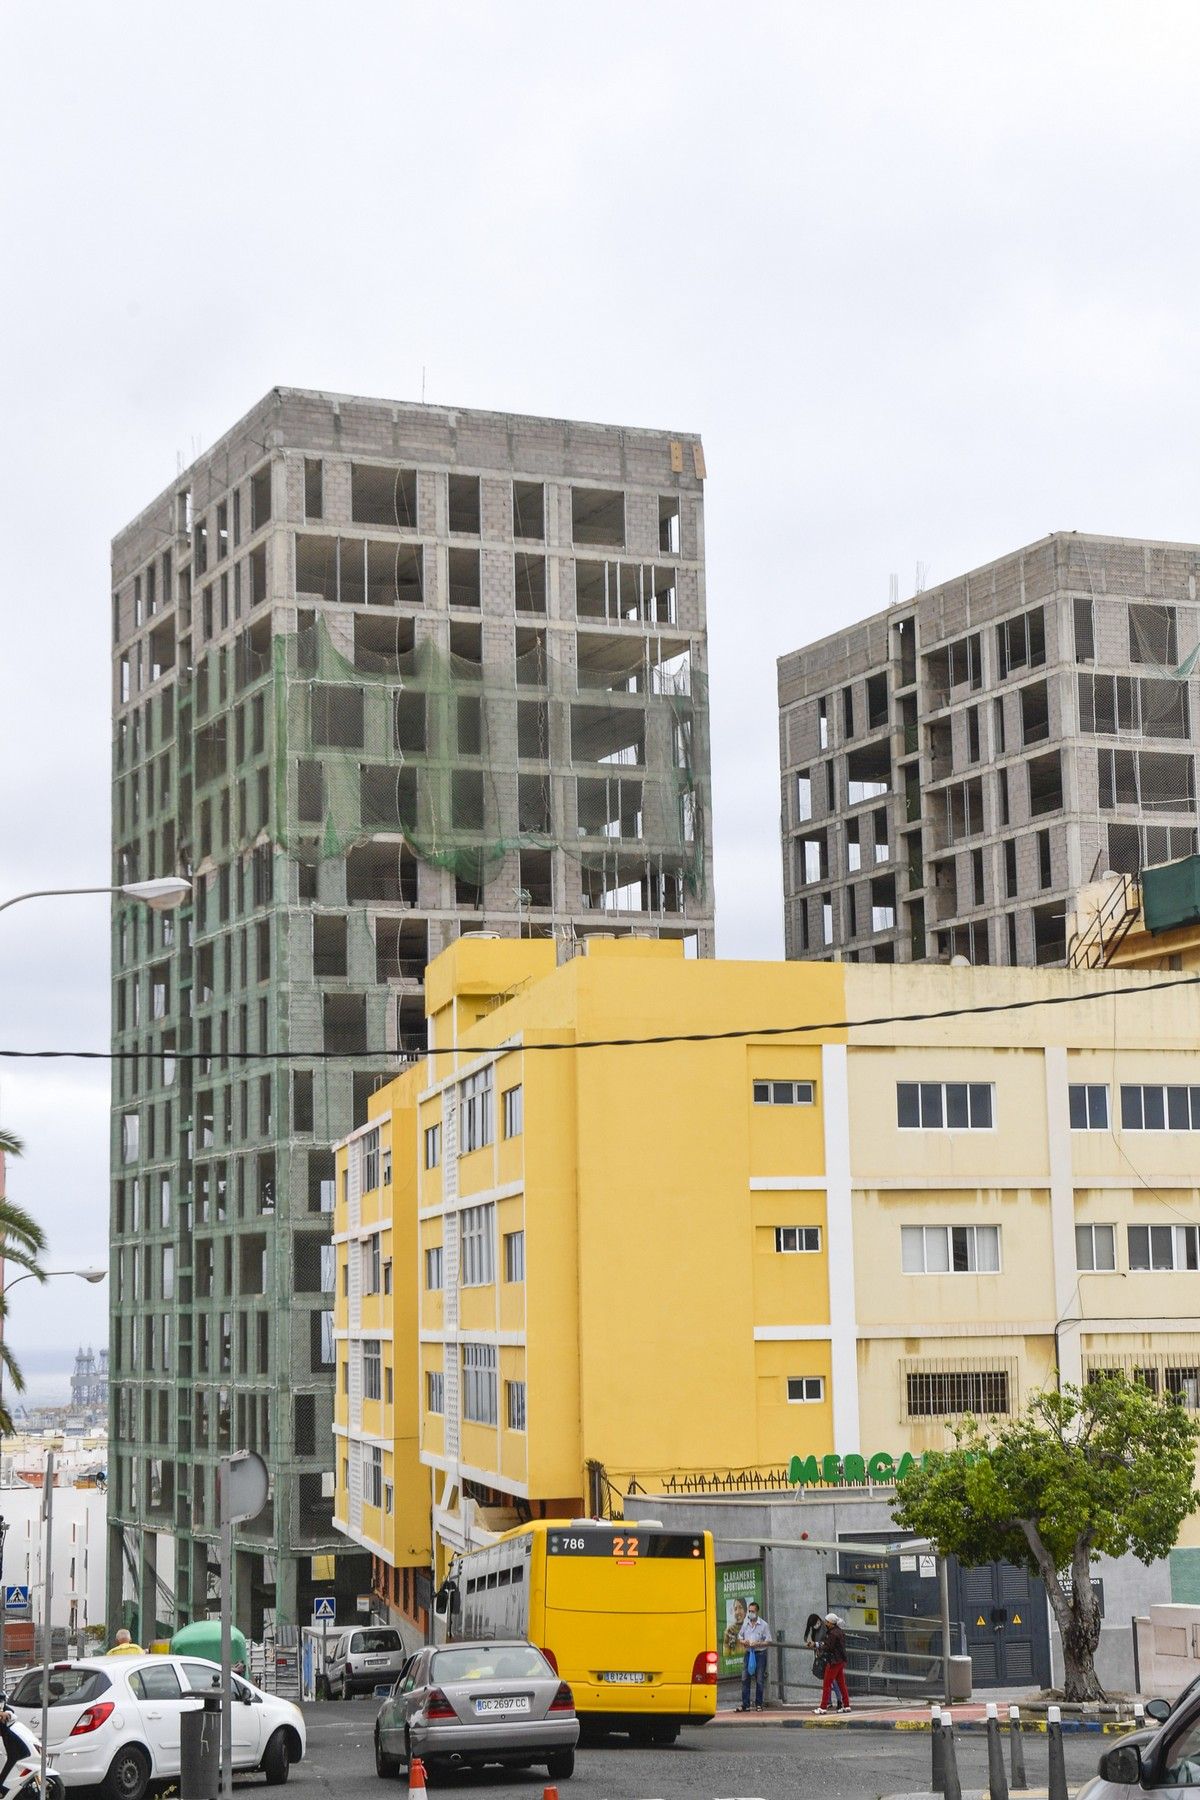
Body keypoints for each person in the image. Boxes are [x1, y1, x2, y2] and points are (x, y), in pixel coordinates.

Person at [735, 1598, 772, 1712]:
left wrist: (758, 1643)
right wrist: (743, 1642)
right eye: (749, 1611)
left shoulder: (764, 1625)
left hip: (760, 1653)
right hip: (748, 1653)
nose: (750, 1613)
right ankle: (745, 1704)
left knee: (759, 1679)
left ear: (757, 1612)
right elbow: (739, 1636)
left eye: (752, 1611)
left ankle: (758, 1704)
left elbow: (768, 1641)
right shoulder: (746, 1624)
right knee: (745, 1678)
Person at [814, 1611, 850, 1714]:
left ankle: (823, 1707)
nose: (825, 1623)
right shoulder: (840, 1632)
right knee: (841, 1684)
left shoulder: (833, 1633)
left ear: (831, 1623)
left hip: (833, 1661)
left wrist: (817, 1646)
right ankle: (846, 1705)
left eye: (827, 1622)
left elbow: (828, 1646)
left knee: (827, 1684)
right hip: (840, 1661)